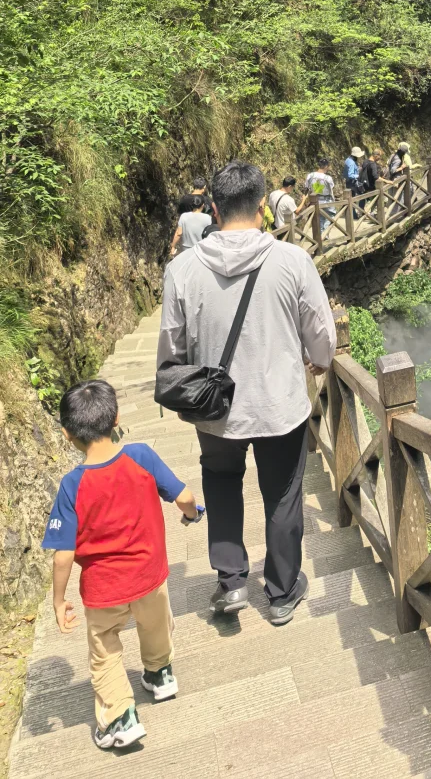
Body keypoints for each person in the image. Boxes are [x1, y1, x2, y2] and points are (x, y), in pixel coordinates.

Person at [158, 161, 336, 625]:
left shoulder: (181, 271)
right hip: (280, 405)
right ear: (262, 208)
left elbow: (173, 350)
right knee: (282, 494)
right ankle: (280, 593)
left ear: (214, 209)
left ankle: (232, 582)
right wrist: (319, 357)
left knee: (220, 484)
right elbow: (321, 334)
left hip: (214, 410)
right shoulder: (292, 260)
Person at [42, 378, 201, 751]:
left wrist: (58, 599)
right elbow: (184, 496)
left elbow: (63, 553)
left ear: (67, 434)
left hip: (103, 590)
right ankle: (160, 675)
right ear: (115, 420)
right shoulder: (142, 456)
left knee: (106, 650)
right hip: (150, 576)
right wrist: (192, 514)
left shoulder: (71, 486)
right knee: (156, 625)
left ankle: (120, 717)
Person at [168, 194, 211, 259]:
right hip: (200, 250)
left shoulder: (184, 216)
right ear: (202, 205)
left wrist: (173, 246)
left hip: (185, 250)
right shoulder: (207, 218)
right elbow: (209, 235)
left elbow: (178, 233)